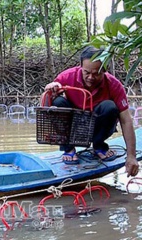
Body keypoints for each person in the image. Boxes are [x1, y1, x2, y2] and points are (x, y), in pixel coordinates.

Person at [44, 46, 139, 177]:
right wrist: (49, 91)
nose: (90, 77)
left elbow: (126, 121)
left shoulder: (114, 85)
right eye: (86, 72)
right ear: (80, 66)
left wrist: (131, 156)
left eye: (96, 73)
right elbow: (44, 106)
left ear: (105, 70)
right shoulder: (67, 76)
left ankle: (99, 145)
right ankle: (69, 148)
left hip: (97, 126)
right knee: (58, 103)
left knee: (109, 107)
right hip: (74, 126)